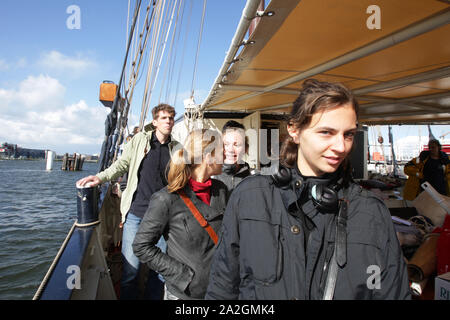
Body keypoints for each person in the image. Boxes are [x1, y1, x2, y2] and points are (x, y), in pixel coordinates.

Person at [205, 79, 411, 300]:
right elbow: (222, 287)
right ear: (294, 130)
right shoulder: (249, 198)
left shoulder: (372, 212)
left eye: (348, 134)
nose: (341, 147)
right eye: (326, 132)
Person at [76, 103, 177, 300]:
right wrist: (101, 177)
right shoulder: (140, 141)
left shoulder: (176, 148)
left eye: (171, 118)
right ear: (155, 122)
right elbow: (122, 163)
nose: (168, 121)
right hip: (136, 214)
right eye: (164, 118)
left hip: (163, 217)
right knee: (131, 270)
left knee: (161, 271)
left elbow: (183, 176)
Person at [132, 129, 228, 300]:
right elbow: (141, 246)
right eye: (222, 150)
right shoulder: (166, 199)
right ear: (208, 157)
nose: (226, 155)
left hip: (221, 289)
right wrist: (182, 275)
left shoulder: (221, 190)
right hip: (186, 295)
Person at [213, 120, 253, 194]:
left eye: (236, 145)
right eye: (226, 144)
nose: (231, 150)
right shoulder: (211, 176)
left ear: (245, 148)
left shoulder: (253, 176)